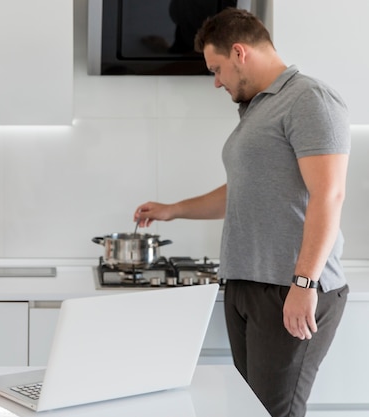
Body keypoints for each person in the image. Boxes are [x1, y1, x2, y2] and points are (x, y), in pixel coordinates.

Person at [133, 8, 349, 417]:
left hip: (290, 288)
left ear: (238, 53)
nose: (216, 81)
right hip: (247, 285)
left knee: (274, 413)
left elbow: (329, 194)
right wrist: (173, 210)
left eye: (216, 69)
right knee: (249, 411)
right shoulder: (258, 108)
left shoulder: (309, 100)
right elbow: (244, 191)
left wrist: (304, 283)